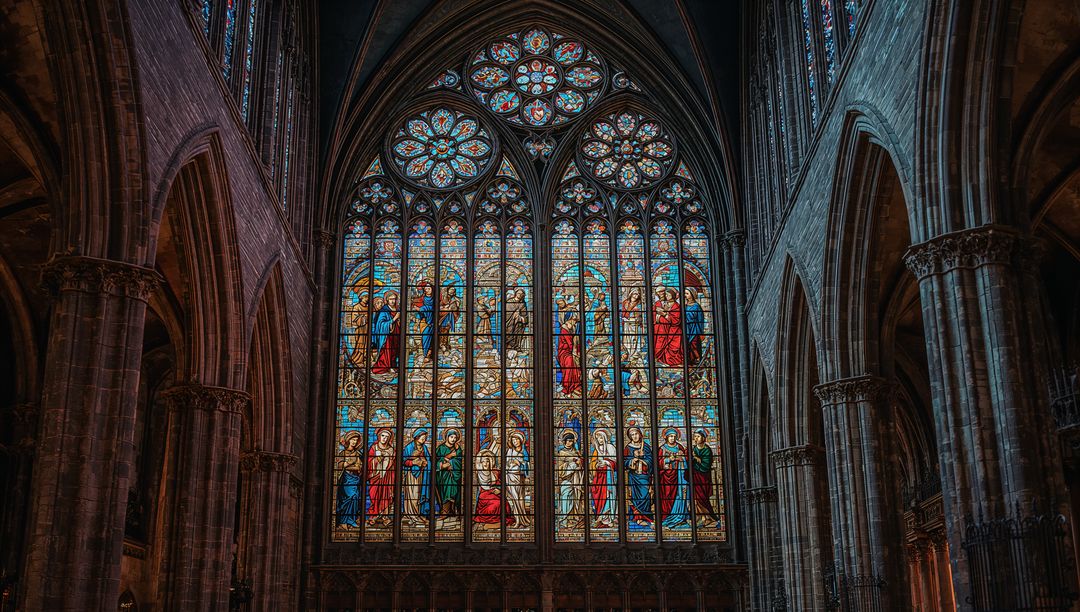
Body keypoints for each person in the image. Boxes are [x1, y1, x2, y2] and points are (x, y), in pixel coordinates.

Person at [658, 428, 691, 527]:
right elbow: (658, 463)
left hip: (679, 477)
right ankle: (666, 516)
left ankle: (681, 516)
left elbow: (687, 461)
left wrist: (683, 458)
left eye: (674, 436)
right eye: (670, 436)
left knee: (681, 496)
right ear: (666, 437)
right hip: (666, 478)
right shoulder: (662, 449)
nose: (672, 438)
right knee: (666, 497)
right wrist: (668, 460)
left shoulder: (680, 447)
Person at [624, 426, 654, 526]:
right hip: (634, 477)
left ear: (640, 434)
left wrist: (643, 459)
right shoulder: (628, 448)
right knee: (635, 497)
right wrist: (632, 460)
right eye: (632, 435)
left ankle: (646, 517)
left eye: (636, 434)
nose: (635, 436)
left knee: (645, 495)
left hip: (644, 476)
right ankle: (638, 519)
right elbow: (624, 462)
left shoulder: (645, 447)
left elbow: (651, 461)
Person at [365, 428, 395, 526]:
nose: (384, 439)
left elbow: (395, 465)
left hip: (387, 477)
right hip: (376, 476)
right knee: (374, 495)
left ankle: (385, 516)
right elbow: (368, 462)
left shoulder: (391, 450)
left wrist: (389, 460)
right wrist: (377, 460)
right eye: (383, 436)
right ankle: (374, 515)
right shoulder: (374, 448)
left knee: (386, 496)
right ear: (379, 436)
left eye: (387, 437)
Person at [555, 431, 585, 529]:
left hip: (576, 479)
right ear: (564, 441)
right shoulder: (562, 452)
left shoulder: (577, 452)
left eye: (571, 441)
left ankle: (573, 518)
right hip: (566, 479)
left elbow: (581, 466)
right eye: (567, 441)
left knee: (576, 498)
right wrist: (572, 465)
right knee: (566, 497)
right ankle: (564, 519)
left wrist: (579, 464)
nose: (569, 443)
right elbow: (560, 468)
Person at [401, 429, 430, 525]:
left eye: (425, 438)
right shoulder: (409, 447)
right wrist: (413, 462)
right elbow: (403, 462)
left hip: (422, 474)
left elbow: (429, 460)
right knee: (413, 494)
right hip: (411, 475)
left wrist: (426, 463)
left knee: (419, 494)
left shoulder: (424, 448)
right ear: (417, 438)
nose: (424, 439)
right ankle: (412, 514)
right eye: (422, 438)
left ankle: (418, 514)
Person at [589, 429, 618, 528]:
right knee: (599, 494)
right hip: (599, 477)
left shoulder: (610, 447)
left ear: (605, 437)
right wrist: (597, 464)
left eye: (601, 437)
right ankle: (600, 516)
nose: (600, 440)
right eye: (597, 438)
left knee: (609, 495)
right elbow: (592, 464)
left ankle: (609, 518)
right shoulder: (596, 450)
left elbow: (616, 462)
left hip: (609, 476)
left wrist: (606, 462)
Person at [691, 429, 721, 524]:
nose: (696, 438)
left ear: (703, 438)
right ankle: (700, 517)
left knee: (703, 497)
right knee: (695, 497)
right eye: (695, 436)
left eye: (698, 436)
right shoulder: (693, 449)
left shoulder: (707, 450)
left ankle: (708, 517)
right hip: (694, 477)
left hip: (704, 477)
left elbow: (706, 465)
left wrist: (695, 459)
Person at [335, 431, 363, 528]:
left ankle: (351, 519)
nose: (354, 442)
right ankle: (343, 520)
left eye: (356, 440)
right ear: (348, 440)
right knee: (347, 498)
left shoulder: (358, 453)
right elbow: (340, 466)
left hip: (355, 479)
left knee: (355, 497)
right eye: (352, 439)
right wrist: (350, 464)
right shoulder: (342, 453)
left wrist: (349, 464)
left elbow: (359, 468)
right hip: (346, 478)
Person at [472, 450, 509, 525]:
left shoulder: (495, 472)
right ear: (481, 463)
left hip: (494, 493)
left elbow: (501, 484)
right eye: (483, 461)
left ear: (491, 462)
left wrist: (499, 490)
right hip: (483, 496)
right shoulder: (477, 473)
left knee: (503, 502)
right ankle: (487, 518)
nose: (485, 464)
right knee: (497, 503)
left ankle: (498, 519)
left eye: (487, 461)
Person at [505, 431, 532, 527]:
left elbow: (528, 466)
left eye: (516, 439)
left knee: (521, 499)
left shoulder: (524, 452)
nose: (515, 441)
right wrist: (512, 462)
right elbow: (506, 464)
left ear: (521, 440)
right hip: (510, 477)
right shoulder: (510, 451)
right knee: (515, 498)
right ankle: (518, 520)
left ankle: (523, 519)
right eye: (513, 440)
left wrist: (519, 463)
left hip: (520, 478)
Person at [370, 291, 401, 374]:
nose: (393, 301)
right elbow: (380, 324)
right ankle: (387, 366)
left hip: (396, 333)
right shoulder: (384, 310)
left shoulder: (398, 309)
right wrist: (394, 319)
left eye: (394, 299)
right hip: (387, 335)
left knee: (395, 350)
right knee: (388, 351)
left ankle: (393, 365)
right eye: (391, 299)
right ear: (387, 300)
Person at [434, 429, 463, 517]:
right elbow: (435, 462)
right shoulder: (440, 448)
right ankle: (444, 511)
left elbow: (460, 461)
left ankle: (451, 510)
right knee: (446, 492)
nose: (453, 439)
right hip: (443, 476)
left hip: (454, 476)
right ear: (447, 437)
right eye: (451, 437)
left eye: (455, 437)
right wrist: (447, 459)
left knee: (453, 492)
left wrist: (452, 463)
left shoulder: (458, 449)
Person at [653, 288, 683, 366]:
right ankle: (663, 360)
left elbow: (676, 320)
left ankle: (674, 362)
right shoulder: (665, 304)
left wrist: (664, 314)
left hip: (674, 330)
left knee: (674, 347)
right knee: (664, 345)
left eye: (668, 294)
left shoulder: (676, 306)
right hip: (667, 329)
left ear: (672, 295)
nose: (666, 296)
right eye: (665, 294)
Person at [557, 310, 582, 396]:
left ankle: (575, 385)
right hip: (564, 353)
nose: (575, 321)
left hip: (570, 351)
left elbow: (575, 341)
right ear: (570, 318)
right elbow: (569, 342)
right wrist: (574, 351)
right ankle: (567, 387)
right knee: (570, 361)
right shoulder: (564, 329)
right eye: (574, 319)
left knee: (575, 362)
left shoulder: (573, 327)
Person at [620, 288, 645, 358]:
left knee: (634, 341)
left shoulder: (639, 304)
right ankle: (628, 354)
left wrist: (634, 319)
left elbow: (640, 318)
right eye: (635, 293)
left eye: (638, 294)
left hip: (635, 326)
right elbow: (622, 314)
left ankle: (634, 355)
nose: (636, 296)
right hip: (626, 326)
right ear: (631, 293)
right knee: (627, 341)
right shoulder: (625, 303)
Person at [414, 281, 435, 362]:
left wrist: (421, 309)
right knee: (425, 337)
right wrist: (417, 320)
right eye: (425, 289)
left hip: (433, 320)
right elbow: (419, 309)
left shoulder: (435, 299)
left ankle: (430, 355)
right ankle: (426, 354)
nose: (427, 290)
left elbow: (431, 308)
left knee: (432, 338)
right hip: (424, 321)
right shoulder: (422, 299)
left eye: (429, 288)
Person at [684, 288, 704, 366]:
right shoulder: (685, 306)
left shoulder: (696, 306)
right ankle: (690, 359)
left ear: (692, 294)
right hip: (687, 329)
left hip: (694, 329)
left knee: (694, 344)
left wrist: (700, 331)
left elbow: (700, 319)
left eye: (687, 293)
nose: (685, 295)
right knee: (688, 345)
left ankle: (698, 358)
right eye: (685, 293)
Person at [438, 286, 460, 352]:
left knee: (446, 330)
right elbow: (439, 306)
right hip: (443, 317)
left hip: (450, 316)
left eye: (453, 290)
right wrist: (445, 308)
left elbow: (456, 308)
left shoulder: (454, 299)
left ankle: (445, 343)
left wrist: (456, 306)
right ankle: (441, 344)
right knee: (442, 330)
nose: (452, 291)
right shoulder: (444, 298)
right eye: (451, 289)